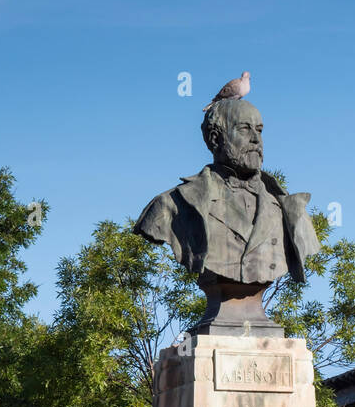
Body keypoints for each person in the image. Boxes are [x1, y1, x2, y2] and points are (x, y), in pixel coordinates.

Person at [133, 99, 320, 290]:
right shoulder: (172, 204)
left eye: (260, 130)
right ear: (216, 138)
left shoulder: (289, 210)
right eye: (245, 129)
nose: (256, 139)